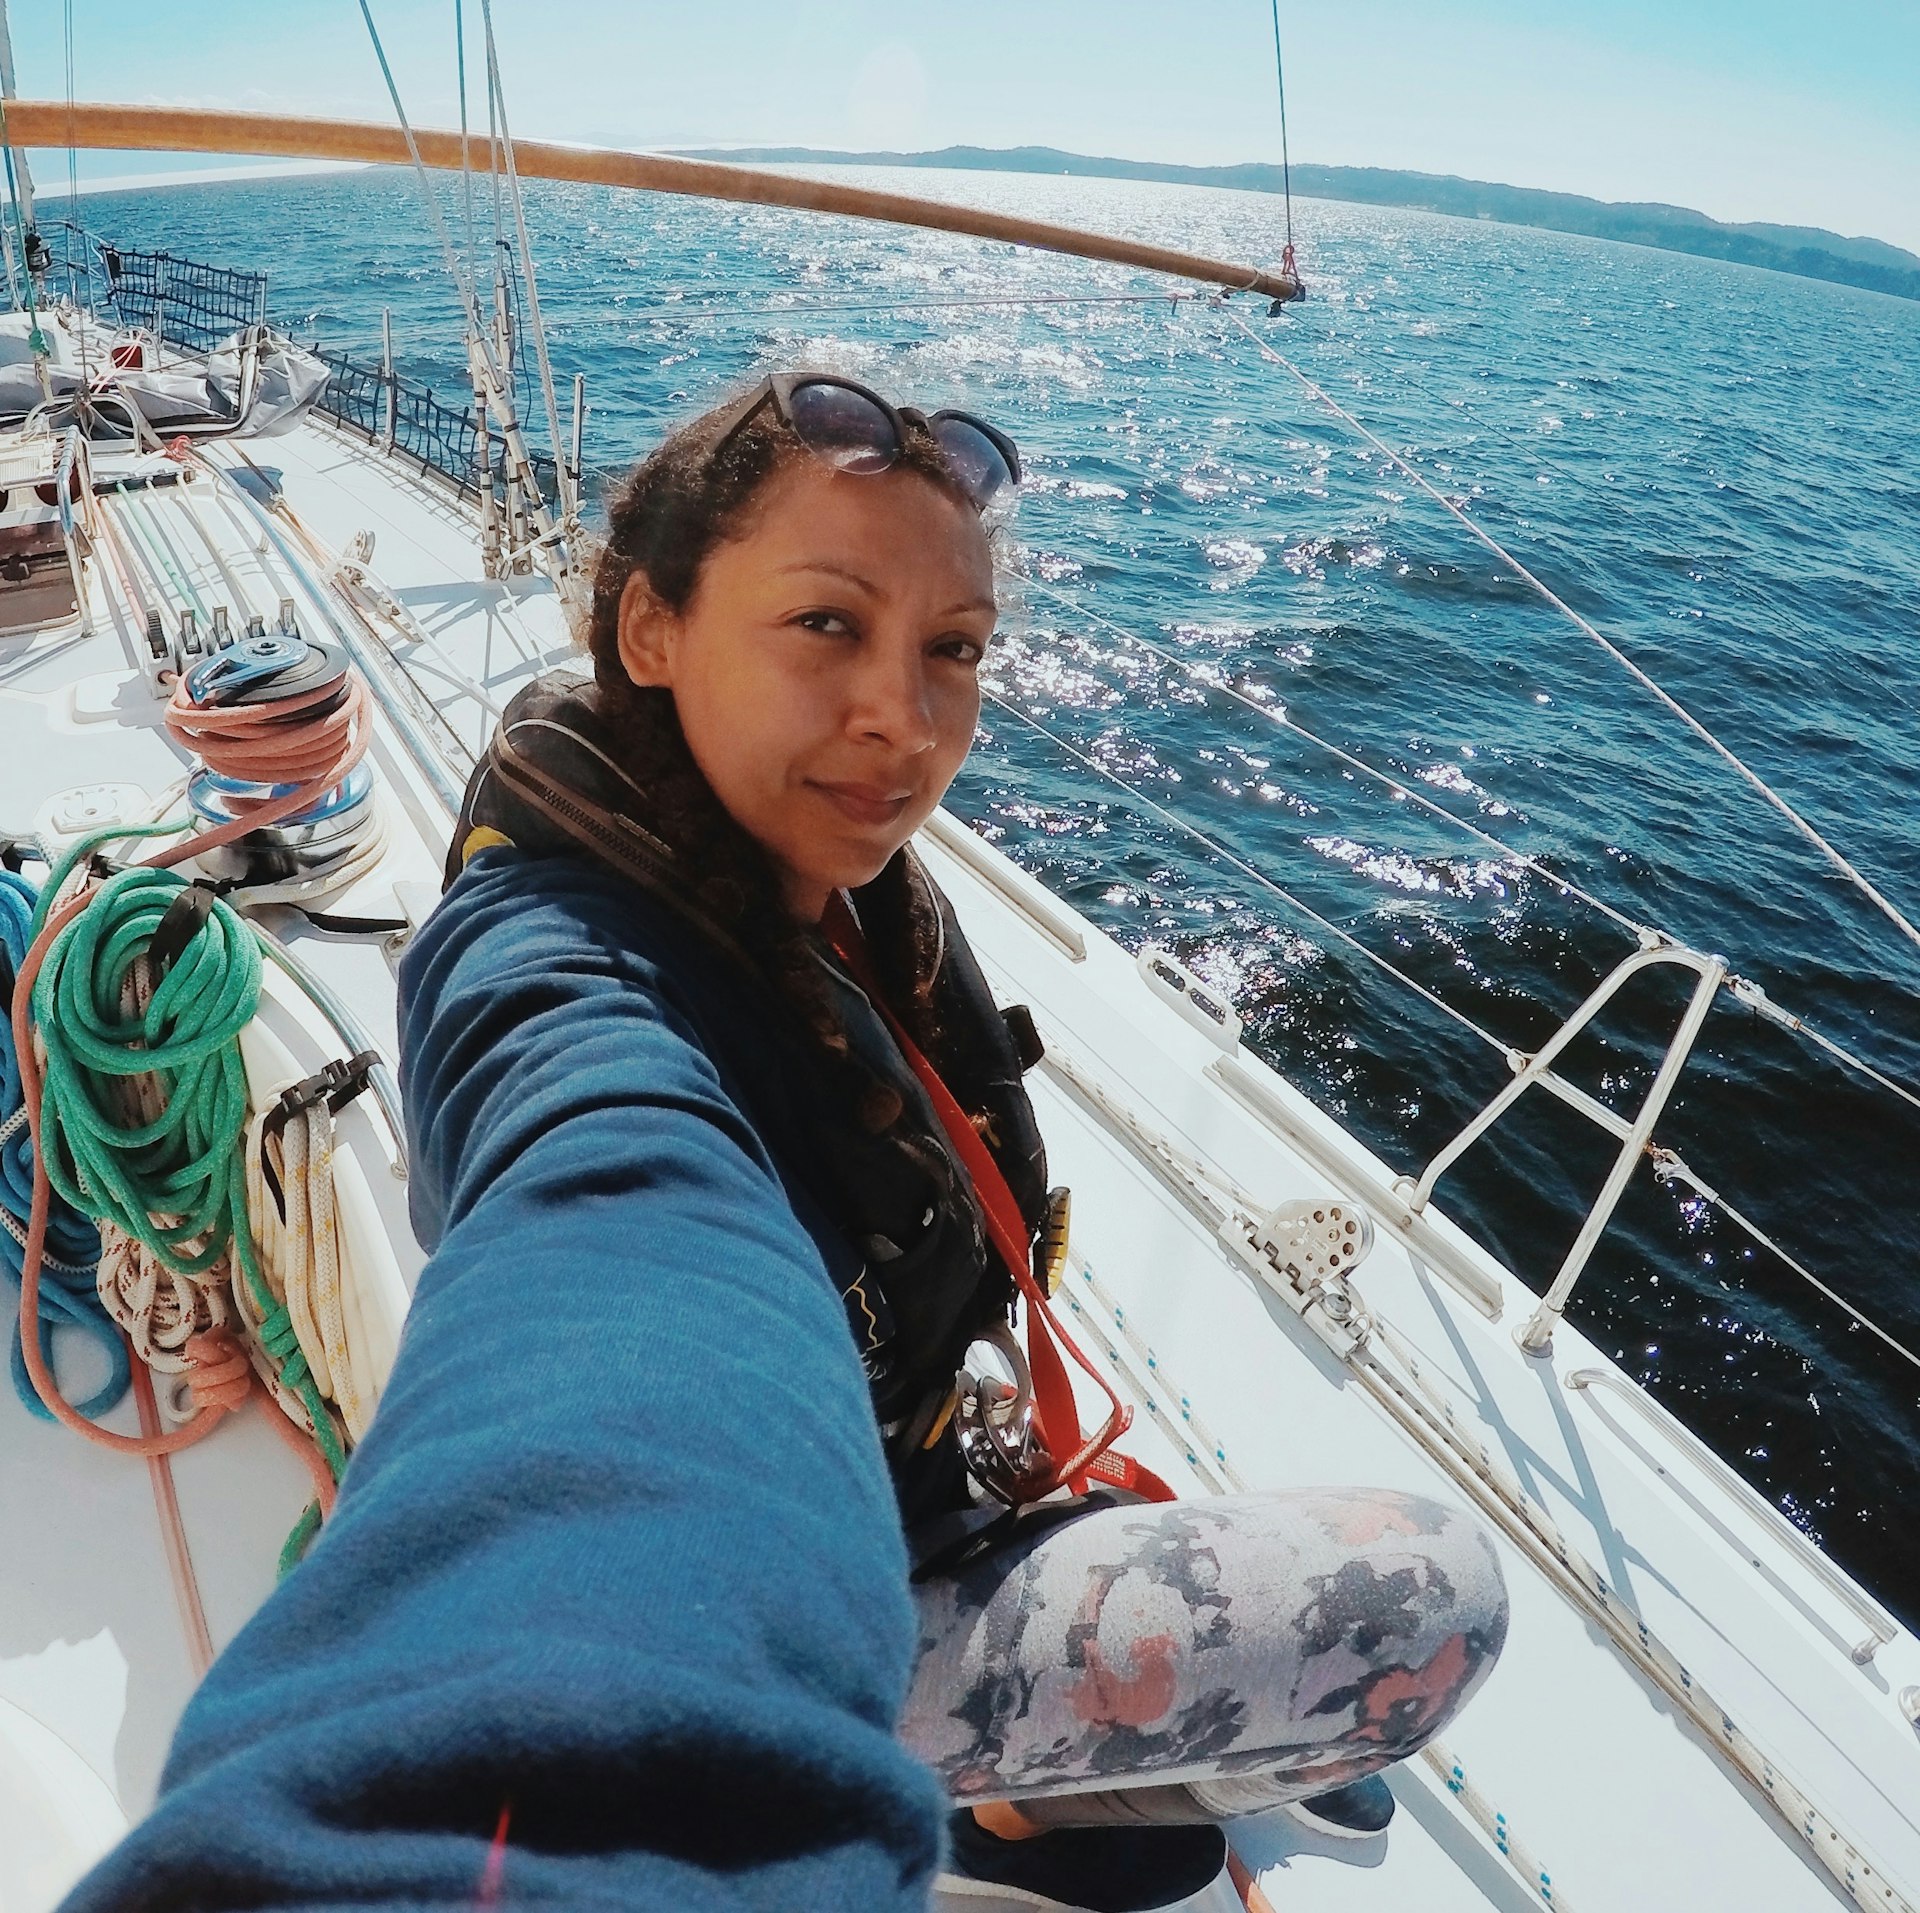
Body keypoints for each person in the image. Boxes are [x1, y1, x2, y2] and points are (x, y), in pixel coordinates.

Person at [63, 373, 1505, 1913]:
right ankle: (986, 1801)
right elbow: (624, 1236)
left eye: (952, 649)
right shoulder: (550, 962)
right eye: (828, 624)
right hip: (824, 1569)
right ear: (652, 632)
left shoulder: (812, 866)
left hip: (914, 1453)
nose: (908, 716)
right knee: (1431, 1602)